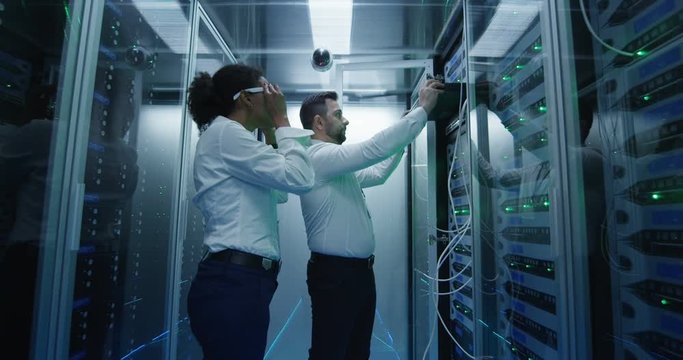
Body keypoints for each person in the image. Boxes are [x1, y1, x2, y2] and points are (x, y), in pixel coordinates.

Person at [298, 79, 443, 359]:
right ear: (318, 123)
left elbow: (378, 173)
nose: (346, 120)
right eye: (338, 115)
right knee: (329, 353)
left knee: (356, 353)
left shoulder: (336, 166)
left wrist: (405, 136)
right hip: (335, 276)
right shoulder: (317, 156)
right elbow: (372, 150)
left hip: (357, 275)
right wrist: (421, 110)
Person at [186, 64, 315, 359]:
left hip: (237, 282)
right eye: (268, 91)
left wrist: (270, 130)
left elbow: (279, 193)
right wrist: (282, 119)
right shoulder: (227, 135)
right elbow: (301, 178)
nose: (274, 97)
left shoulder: (231, 138)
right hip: (232, 284)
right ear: (246, 98)